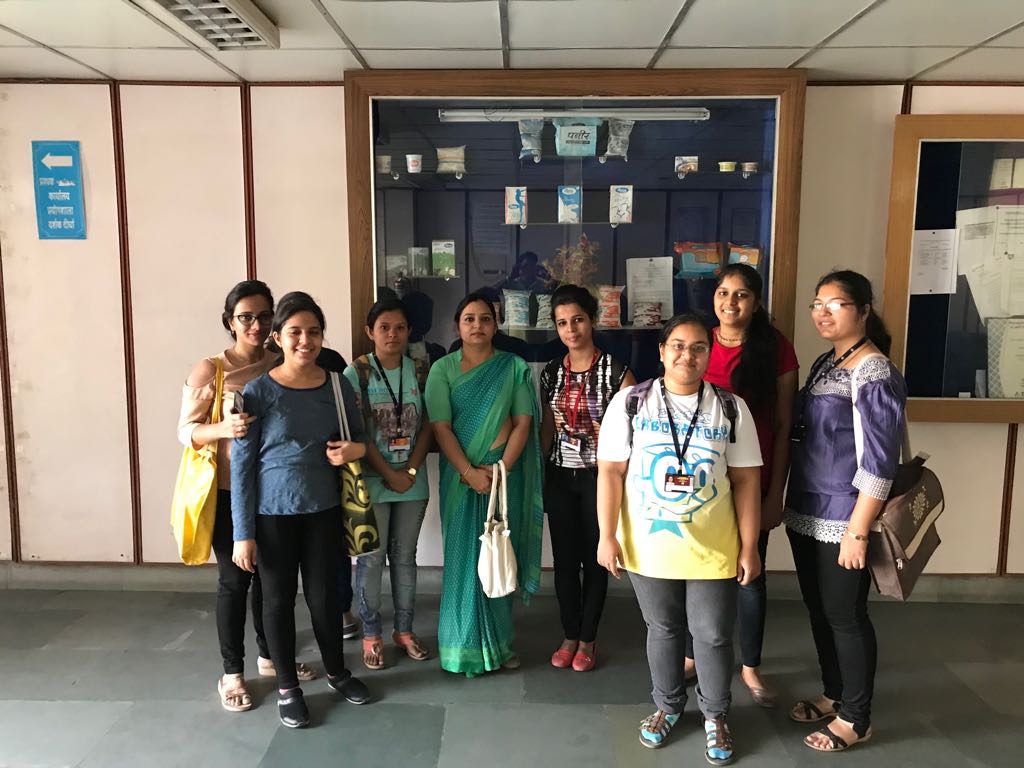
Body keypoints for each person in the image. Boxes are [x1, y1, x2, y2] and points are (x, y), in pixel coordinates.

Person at [596, 313, 762, 765]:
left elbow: (747, 481)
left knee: (712, 634)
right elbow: (610, 472)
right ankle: (668, 706)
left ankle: (715, 715)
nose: (687, 355)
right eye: (678, 346)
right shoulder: (631, 402)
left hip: (713, 544)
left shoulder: (730, 407)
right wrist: (606, 535)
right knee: (663, 628)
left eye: (698, 347)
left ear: (709, 354)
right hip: (648, 543)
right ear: (662, 350)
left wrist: (749, 546)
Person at [231, 292, 370, 729]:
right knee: (276, 601)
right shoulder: (258, 391)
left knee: (325, 597)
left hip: (324, 510)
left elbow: (362, 440)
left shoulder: (337, 385)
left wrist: (353, 450)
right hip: (272, 515)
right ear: (277, 337)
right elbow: (242, 467)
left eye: (313, 332)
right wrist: (242, 533)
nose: (305, 341)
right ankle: (288, 687)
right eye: (295, 332)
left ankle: (337, 672)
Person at [784, 270, 906, 753]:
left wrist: (858, 530)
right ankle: (834, 693)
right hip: (807, 507)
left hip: (844, 515)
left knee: (845, 615)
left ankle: (857, 717)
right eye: (818, 303)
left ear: (864, 310)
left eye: (835, 303)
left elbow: (881, 460)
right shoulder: (826, 361)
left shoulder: (873, 370)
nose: (823, 312)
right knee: (819, 609)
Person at [178, 280, 313, 712]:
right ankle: (232, 673)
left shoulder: (281, 362)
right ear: (230, 321)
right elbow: (186, 431)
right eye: (246, 317)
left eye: (264, 316)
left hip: (271, 493)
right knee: (235, 580)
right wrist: (223, 428)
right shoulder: (211, 370)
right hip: (227, 491)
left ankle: (270, 658)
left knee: (271, 581)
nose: (256, 325)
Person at [683, 263, 799, 706]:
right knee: (697, 570)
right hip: (701, 482)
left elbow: (784, 425)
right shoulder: (699, 342)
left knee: (750, 574)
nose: (730, 302)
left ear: (756, 302)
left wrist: (775, 495)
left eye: (741, 294)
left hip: (754, 478)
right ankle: (692, 655)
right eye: (723, 293)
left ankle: (750, 666)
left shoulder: (776, 348)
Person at [424, 291, 545, 677]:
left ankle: (501, 643)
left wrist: (501, 471)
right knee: (463, 561)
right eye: (469, 319)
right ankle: (461, 648)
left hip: (503, 479)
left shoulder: (513, 367)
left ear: (496, 325)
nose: (477, 325)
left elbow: (523, 422)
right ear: (457, 326)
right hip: (461, 480)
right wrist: (469, 472)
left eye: (485, 319)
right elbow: (441, 427)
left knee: (499, 556)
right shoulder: (442, 370)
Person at [539, 284, 634, 672]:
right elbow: (547, 425)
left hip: (601, 478)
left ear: (592, 320)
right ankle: (569, 634)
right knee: (564, 561)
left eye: (577, 319)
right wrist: (542, 469)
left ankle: (588, 639)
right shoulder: (551, 372)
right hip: (561, 475)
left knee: (596, 561)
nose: (571, 329)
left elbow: (633, 431)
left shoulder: (617, 371)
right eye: (562, 323)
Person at [345, 298, 433, 670]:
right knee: (370, 559)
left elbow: (428, 426)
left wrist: (408, 471)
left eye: (399, 328)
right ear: (370, 332)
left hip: (412, 481)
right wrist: (390, 473)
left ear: (409, 331)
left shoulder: (421, 371)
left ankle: (404, 630)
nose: (392, 335)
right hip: (372, 480)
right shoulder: (357, 373)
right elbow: (357, 432)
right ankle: (371, 635)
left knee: (404, 557)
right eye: (384, 328)